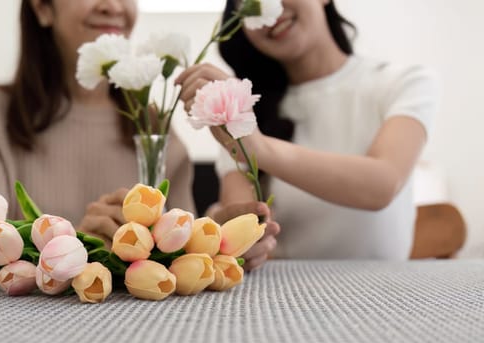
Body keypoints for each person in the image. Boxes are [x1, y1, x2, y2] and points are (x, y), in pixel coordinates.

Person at [0, 0, 278, 270]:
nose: (113, 5)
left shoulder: (154, 123)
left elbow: (177, 257)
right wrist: (78, 247)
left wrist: (217, 235)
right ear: (41, 7)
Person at [176, 0, 438, 260]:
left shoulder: (404, 83)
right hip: (283, 297)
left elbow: (383, 184)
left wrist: (258, 148)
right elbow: (240, 218)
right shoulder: (246, 109)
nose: (270, 9)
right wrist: (231, 232)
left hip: (384, 293)